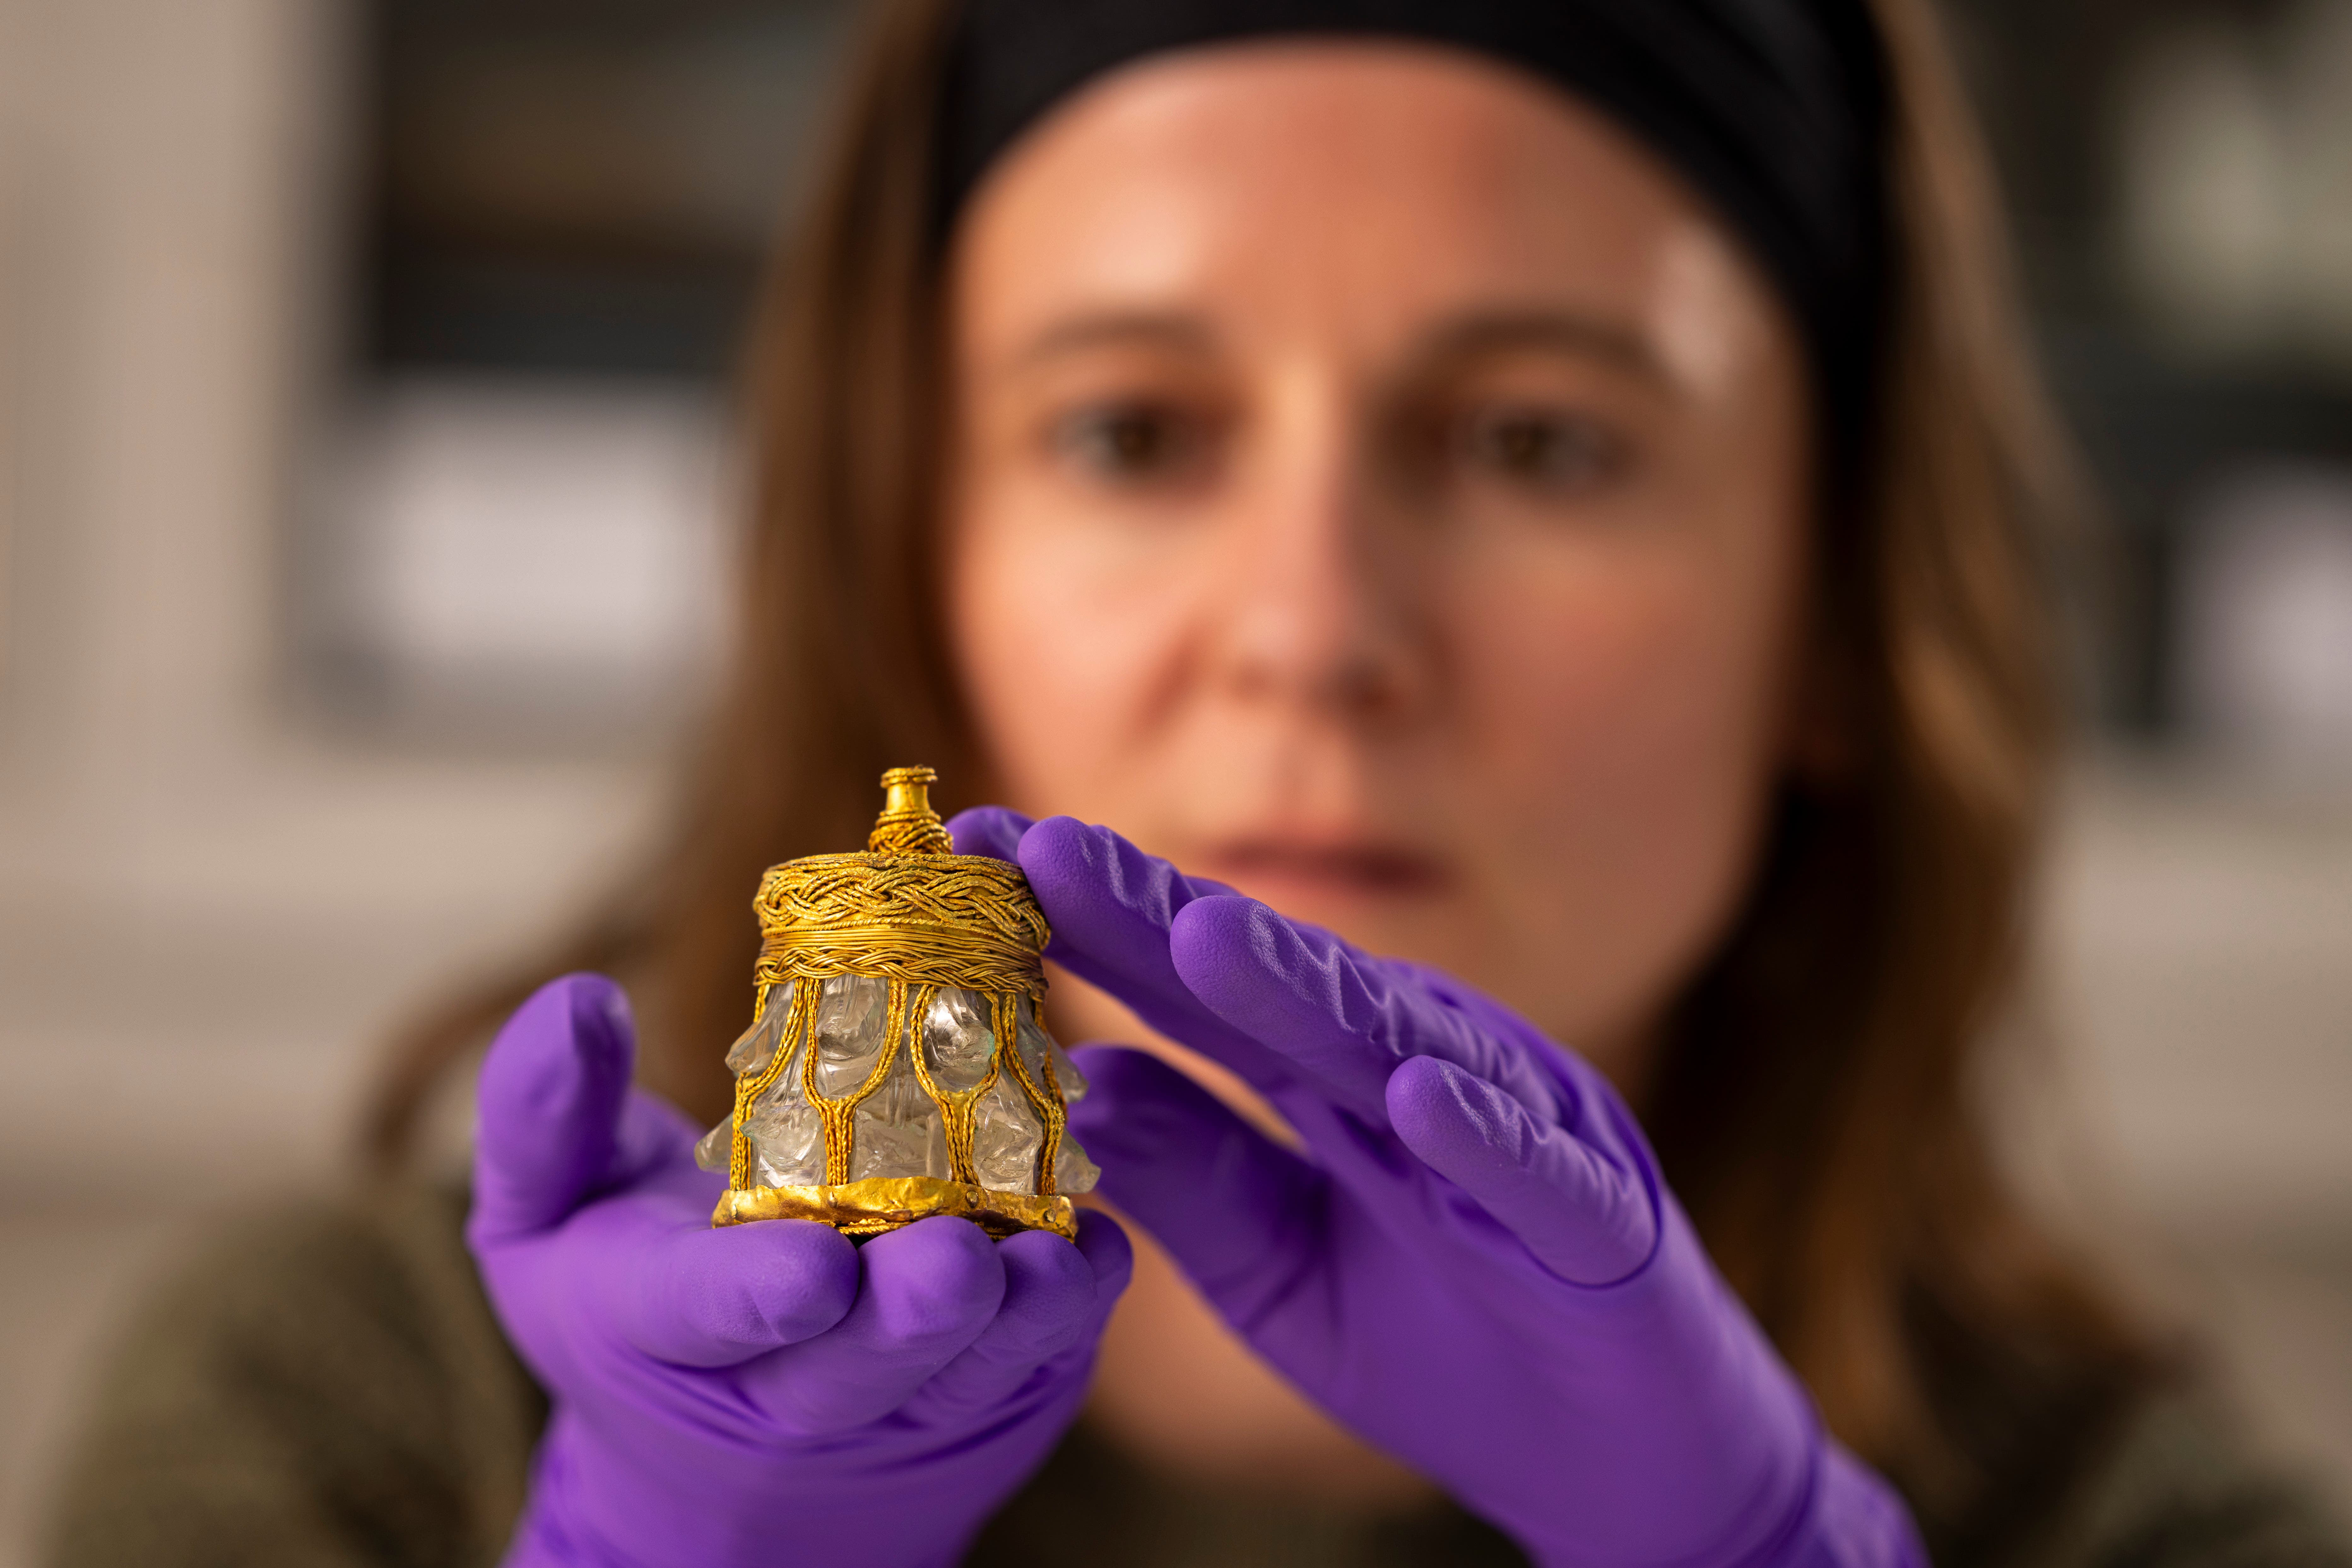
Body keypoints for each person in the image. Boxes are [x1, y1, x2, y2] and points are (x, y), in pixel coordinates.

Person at [44, 2, 2352, 1566]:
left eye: (1541, 441)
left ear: (1836, 614)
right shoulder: (352, 1426)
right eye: (1131, 433)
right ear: (921, 559)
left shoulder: (2142, 1525)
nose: (1314, 628)